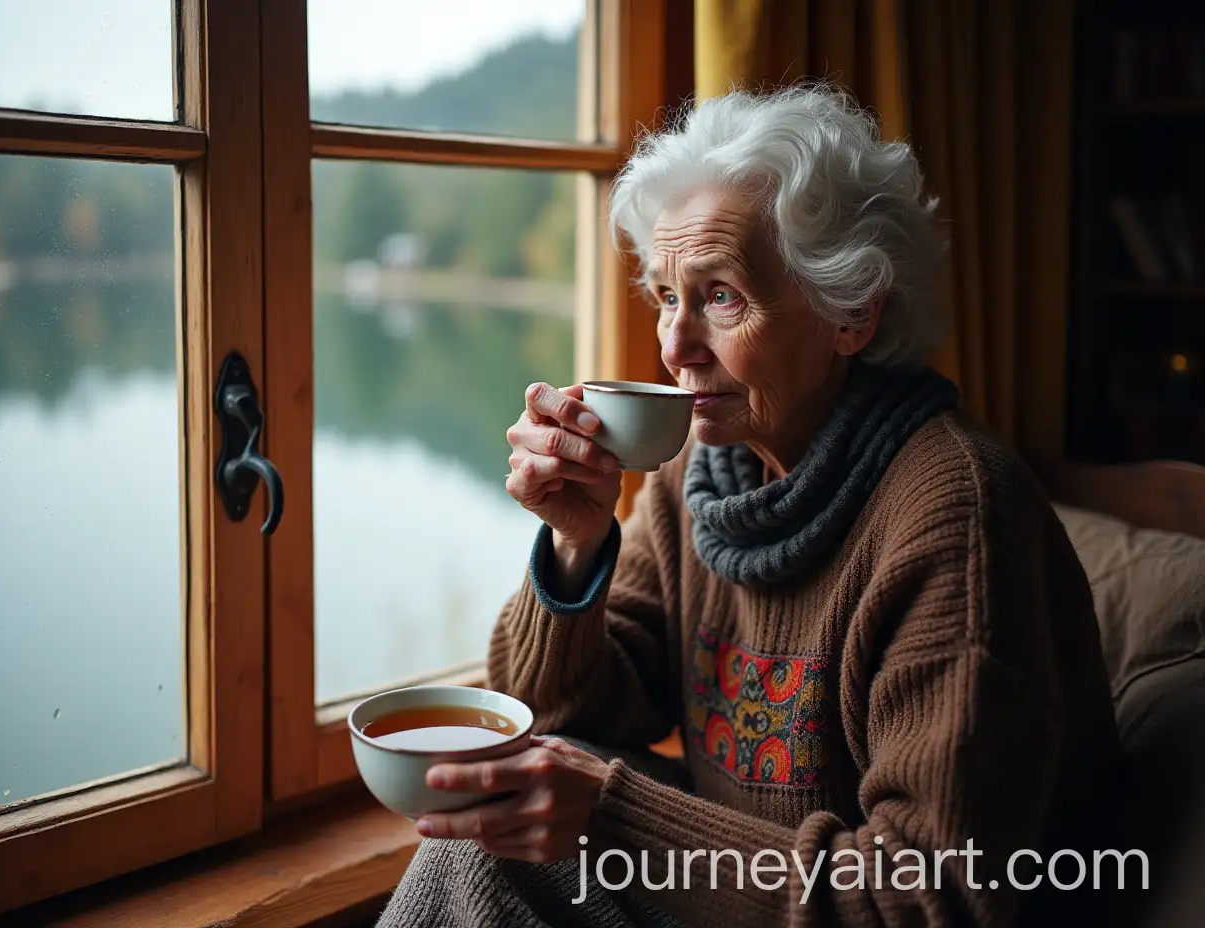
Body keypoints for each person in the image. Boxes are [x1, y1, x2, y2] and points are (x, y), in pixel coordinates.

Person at [377, 84, 1123, 927]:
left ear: (852, 313)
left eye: (720, 295)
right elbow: (563, 719)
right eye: (665, 296)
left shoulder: (956, 516)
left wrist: (613, 817)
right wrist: (578, 541)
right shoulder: (704, 472)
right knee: (479, 842)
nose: (673, 345)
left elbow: (929, 901)